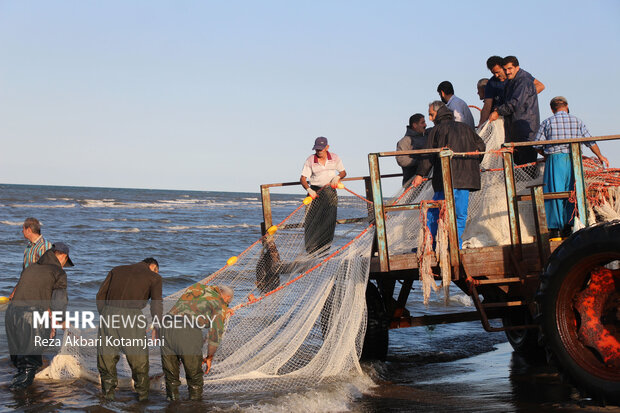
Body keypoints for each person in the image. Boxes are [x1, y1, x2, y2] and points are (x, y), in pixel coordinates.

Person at [412, 101, 486, 248]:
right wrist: (472, 164)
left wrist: (420, 174)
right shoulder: (466, 128)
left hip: (446, 180)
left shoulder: (437, 130)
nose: (430, 119)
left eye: (431, 115)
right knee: (459, 215)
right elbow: (481, 146)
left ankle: (432, 245)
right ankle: (455, 245)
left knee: (434, 212)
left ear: (438, 113)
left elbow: (429, 155)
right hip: (465, 179)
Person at [534, 96, 609, 238]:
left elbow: (536, 144)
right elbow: (590, 141)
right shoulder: (577, 121)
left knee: (553, 193)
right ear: (566, 106)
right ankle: (571, 226)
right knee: (574, 191)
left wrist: (545, 154)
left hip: (555, 160)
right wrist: (600, 156)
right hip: (574, 159)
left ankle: (555, 229)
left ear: (552, 109)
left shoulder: (547, 122)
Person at [5, 243, 74, 390]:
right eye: (64, 262)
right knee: (29, 365)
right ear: (63, 256)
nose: (63, 266)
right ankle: (24, 402)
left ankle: (16, 398)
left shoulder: (31, 267)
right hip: (31, 317)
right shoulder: (58, 272)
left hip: (11, 315)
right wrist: (61, 322)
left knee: (20, 362)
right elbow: (59, 302)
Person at [96, 257, 162, 401]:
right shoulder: (154, 277)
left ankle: (108, 397)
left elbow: (100, 295)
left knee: (106, 359)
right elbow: (156, 304)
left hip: (108, 314)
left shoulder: (116, 270)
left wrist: (106, 314)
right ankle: (142, 398)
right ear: (153, 267)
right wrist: (157, 326)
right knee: (139, 360)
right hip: (131, 317)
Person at [160, 284, 233, 401]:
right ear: (227, 298)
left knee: (171, 377)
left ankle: (171, 404)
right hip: (186, 330)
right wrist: (209, 357)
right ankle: (196, 406)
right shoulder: (220, 303)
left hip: (166, 326)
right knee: (195, 378)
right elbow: (215, 334)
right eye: (228, 303)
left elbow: (195, 307)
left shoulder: (197, 287)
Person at [488, 56, 541, 165]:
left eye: (510, 69)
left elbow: (515, 103)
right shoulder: (511, 81)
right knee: (517, 166)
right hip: (515, 131)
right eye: (505, 69)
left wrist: (498, 112)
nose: (507, 72)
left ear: (517, 68)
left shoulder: (523, 81)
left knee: (526, 166)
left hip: (525, 131)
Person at [300, 137, 347, 254]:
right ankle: (310, 250)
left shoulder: (335, 158)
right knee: (311, 221)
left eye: (321, 149)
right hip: (314, 193)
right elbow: (302, 179)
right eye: (317, 149)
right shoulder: (310, 160)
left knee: (329, 221)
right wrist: (309, 189)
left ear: (327, 147)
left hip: (330, 192)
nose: (319, 151)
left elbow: (343, 172)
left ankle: (325, 250)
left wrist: (338, 177)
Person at [479, 55, 545, 128]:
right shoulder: (491, 83)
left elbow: (540, 86)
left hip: (521, 117)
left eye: (498, 72)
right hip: (501, 119)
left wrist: (523, 96)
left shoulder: (521, 76)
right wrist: (481, 123)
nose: (496, 75)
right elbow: (487, 106)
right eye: (493, 73)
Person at [396, 113, 429, 186]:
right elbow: (402, 160)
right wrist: (422, 162)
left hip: (427, 182)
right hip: (412, 183)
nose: (425, 125)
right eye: (422, 122)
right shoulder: (405, 141)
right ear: (414, 125)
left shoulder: (427, 137)